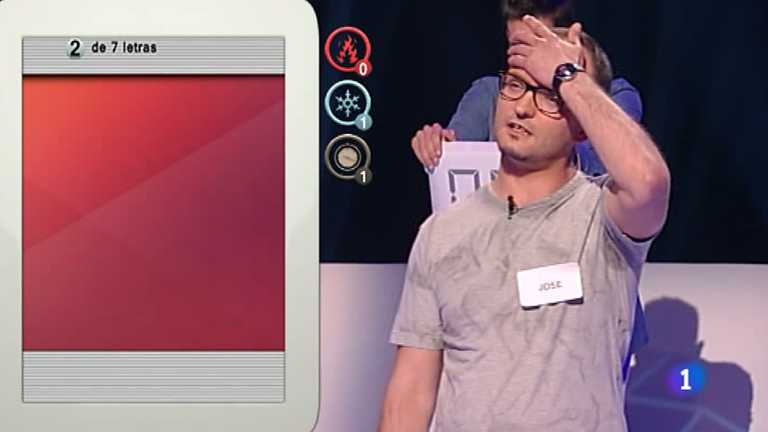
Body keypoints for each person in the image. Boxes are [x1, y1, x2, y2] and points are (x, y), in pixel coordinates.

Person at [380, 18, 670, 432]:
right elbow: (409, 394)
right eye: (515, 85)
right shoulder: (440, 233)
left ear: (580, 121)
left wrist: (566, 74)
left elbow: (649, 181)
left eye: (549, 95)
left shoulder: (604, 215)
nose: (522, 107)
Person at [412, 0, 649, 380]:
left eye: (535, 44)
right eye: (515, 46)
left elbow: (620, 173)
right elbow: (458, 169)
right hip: (499, 285)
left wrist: (566, 85)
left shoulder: (610, 97)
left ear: (567, 39)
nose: (523, 58)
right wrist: (440, 148)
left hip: (583, 291)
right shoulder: (489, 94)